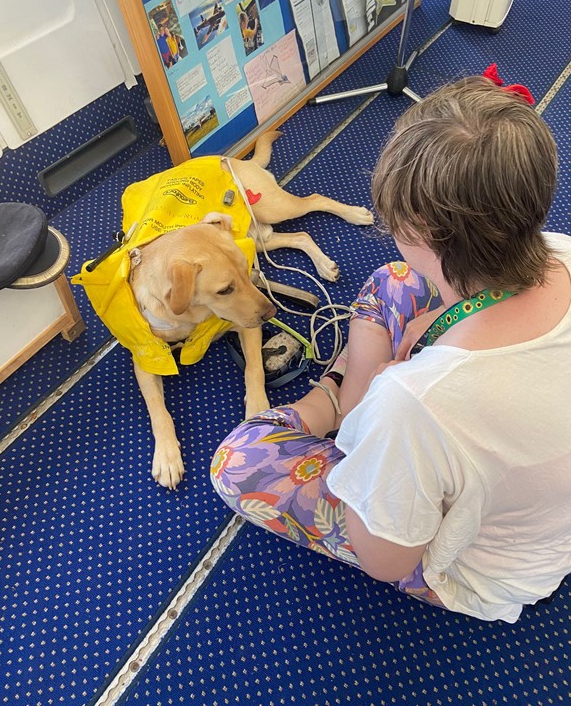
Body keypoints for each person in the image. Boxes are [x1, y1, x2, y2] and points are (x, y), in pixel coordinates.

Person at [210, 75, 571, 623]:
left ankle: (336, 399)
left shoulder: (414, 404)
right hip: (541, 506)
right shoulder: (558, 249)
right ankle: (354, 404)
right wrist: (439, 321)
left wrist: (377, 399)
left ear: (419, 226)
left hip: (484, 572)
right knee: (396, 281)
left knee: (238, 460)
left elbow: (384, 559)